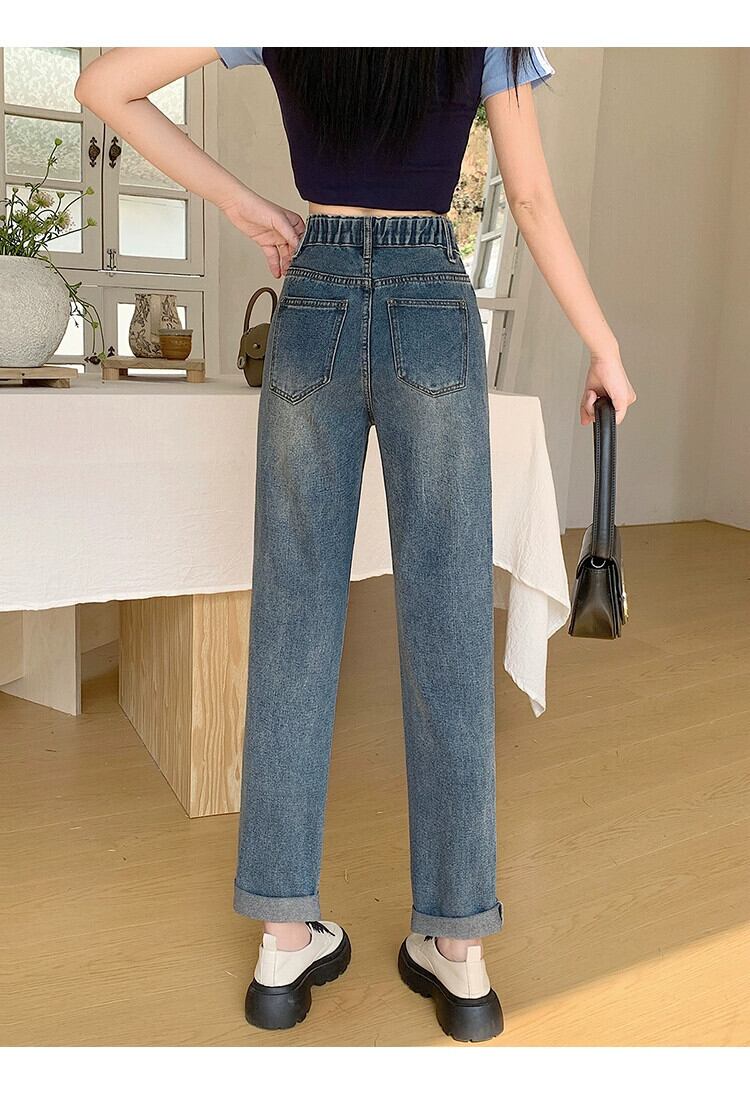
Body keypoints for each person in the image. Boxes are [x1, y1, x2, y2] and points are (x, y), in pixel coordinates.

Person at [75, 46, 636, 1044]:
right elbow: (532, 199)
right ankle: (459, 951)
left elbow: (102, 87)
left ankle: (282, 941)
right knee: (449, 623)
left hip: (317, 296)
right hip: (430, 299)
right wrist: (605, 344)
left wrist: (247, 207)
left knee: (294, 620)